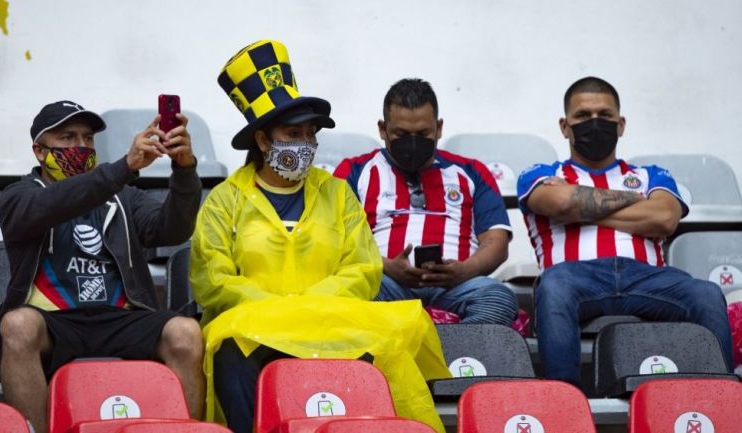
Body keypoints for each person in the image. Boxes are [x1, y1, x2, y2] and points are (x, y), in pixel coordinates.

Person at [190, 41, 449, 433]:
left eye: (310, 134)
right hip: (255, 327)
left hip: (330, 322)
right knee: (229, 348)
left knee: (393, 342)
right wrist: (278, 310)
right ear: (263, 140)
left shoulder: (337, 193)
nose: (306, 144)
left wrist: (309, 307)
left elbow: (362, 268)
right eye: (293, 133)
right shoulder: (225, 200)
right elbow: (214, 279)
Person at [0, 100, 205, 433]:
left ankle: (188, 429)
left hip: (121, 317)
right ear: (39, 151)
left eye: (87, 138)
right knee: (16, 326)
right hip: (55, 323)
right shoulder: (19, 196)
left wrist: (184, 168)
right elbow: (58, 201)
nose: (80, 147)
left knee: (186, 332)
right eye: (67, 138)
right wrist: (124, 167)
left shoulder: (124, 197)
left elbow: (173, 230)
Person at [517, 76, 734, 386]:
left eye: (605, 116)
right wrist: (636, 204)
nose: (594, 123)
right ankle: (562, 403)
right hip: (572, 277)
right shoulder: (541, 173)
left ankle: (722, 403)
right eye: (582, 116)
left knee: (706, 293)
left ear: (621, 124)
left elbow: (663, 219)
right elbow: (563, 203)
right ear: (565, 126)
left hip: (647, 278)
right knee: (554, 287)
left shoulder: (651, 174)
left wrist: (583, 208)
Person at [334, 78, 518, 325]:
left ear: (439, 128)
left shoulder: (471, 172)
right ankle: (384, 363)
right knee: (347, 292)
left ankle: (456, 360)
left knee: (498, 298)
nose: (412, 142)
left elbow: (496, 242)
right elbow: (335, 239)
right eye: (400, 134)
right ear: (382, 128)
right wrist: (384, 266)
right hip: (384, 282)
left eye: (423, 134)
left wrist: (464, 271)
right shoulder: (355, 171)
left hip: (458, 286)